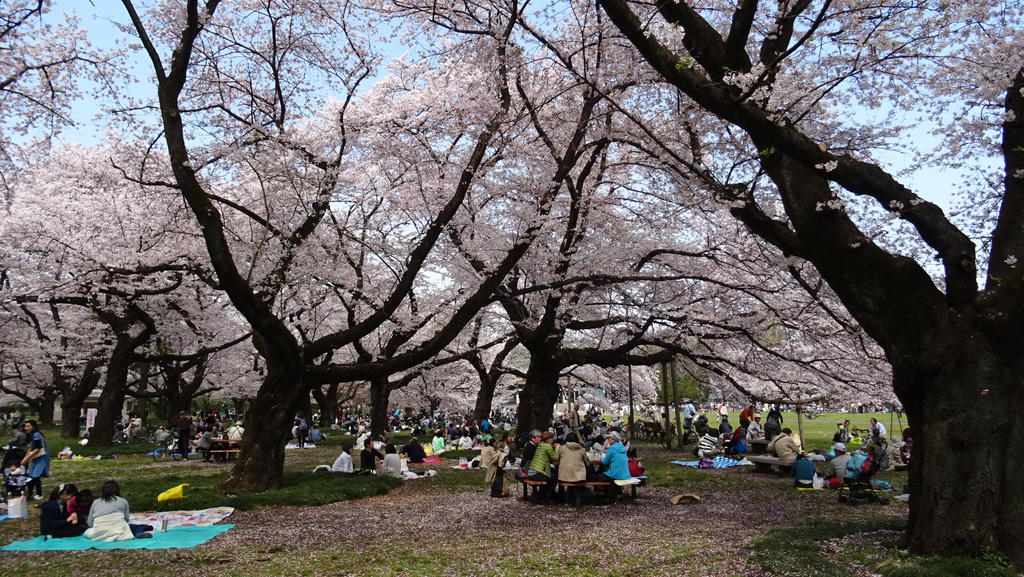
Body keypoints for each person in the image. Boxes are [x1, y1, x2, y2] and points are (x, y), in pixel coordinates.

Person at [85, 479, 154, 540]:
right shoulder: (123, 501)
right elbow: (126, 519)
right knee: (136, 527)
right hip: (118, 528)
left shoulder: (96, 502)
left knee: (87, 531)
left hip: (99, 530)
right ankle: (138, 533)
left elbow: (90, 523)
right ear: (117, 490)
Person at [20, 420, 49, 501]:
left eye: (28, 426)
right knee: (30, 474)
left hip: (42, 457)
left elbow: (37, 448)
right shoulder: (31, 435)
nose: (26, 428)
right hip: (36, 457)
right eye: (25, 426)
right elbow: (31, 448)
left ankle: (39, 494)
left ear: (33, 426)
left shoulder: (36, 435)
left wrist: (26, 458)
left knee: (36, 475)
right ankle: (30, 494)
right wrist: (25, 456)